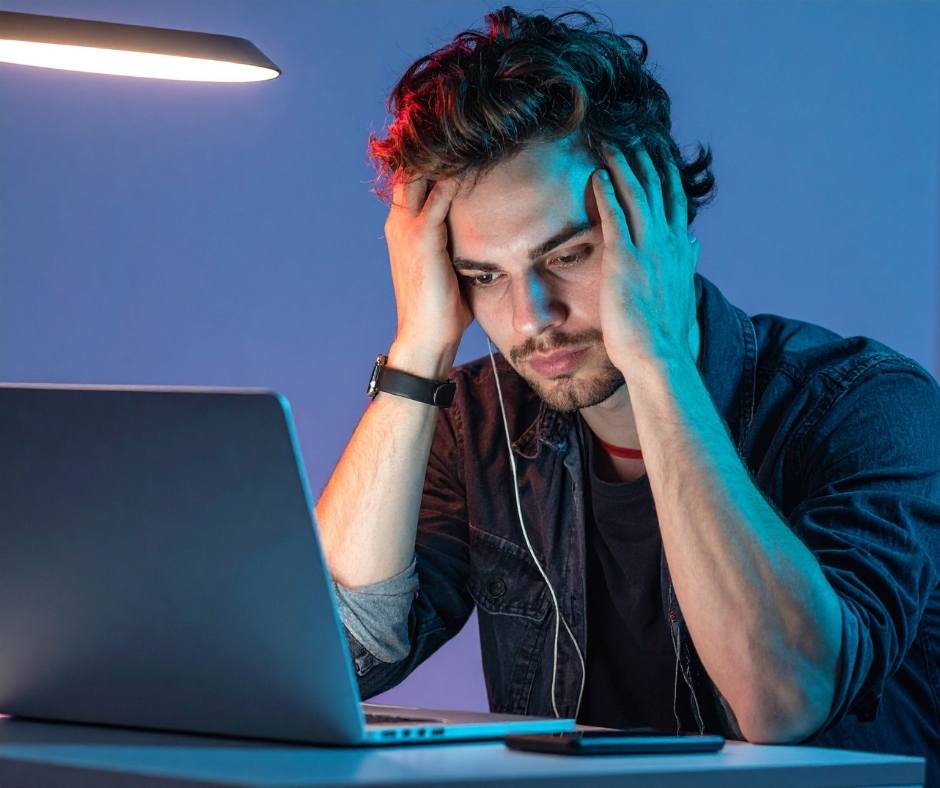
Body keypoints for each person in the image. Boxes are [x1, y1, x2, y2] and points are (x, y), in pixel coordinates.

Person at [314, 5, 940, 778]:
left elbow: (783, 701)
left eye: (568, 255)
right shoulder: (475, 423)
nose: (531, 318)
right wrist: (418, 352)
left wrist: (660, 364)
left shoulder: (863, 405)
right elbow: (334, 663)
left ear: (663, 226)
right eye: (485, 276)